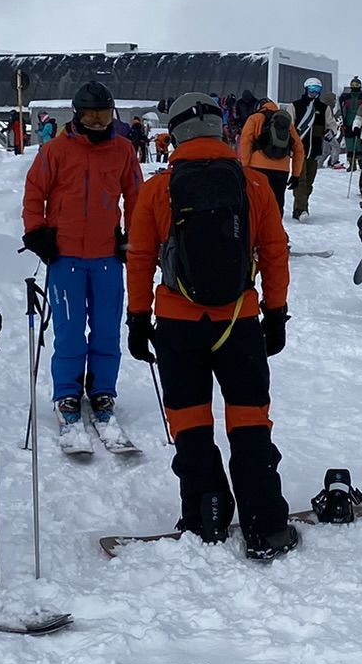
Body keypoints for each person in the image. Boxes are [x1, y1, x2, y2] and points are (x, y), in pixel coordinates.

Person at [126, 92, 298, 560]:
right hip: (238, 322)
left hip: (178, 325)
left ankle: (208, 514)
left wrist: (138, 318)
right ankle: (266, 522)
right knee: (249, 422)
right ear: (221, 128)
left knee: (192, 424)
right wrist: (276, 313)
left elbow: (140, 258)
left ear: (175, 131)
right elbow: (275, 251)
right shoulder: (254, 185)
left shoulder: (157, 189)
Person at [22, 80, 144, 439]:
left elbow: (136, 196)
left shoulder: (122, 150)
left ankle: (103, 391)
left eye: (102, 114)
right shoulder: (55, 151)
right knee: (70, 331)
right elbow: (34, 193)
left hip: (106, 257)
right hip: (66, 257)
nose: (96, 121)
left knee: (107, 330)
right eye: (90, 115)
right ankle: (67, 395)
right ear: (77, 114)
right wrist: (37, 232)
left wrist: (132, 239)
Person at [238, 93, 305, 211]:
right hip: (282, 170)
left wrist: (244, 168)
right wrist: (296, 175)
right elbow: (298, 149)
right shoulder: (286, 121)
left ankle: (257, 229)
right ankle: (275, 227)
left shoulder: (255, 118)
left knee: (256, 204)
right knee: (276, 205)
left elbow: (245, 144)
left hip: (258, 168)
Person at [289, 78, 329, 221]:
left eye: (317, 90)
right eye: (311, 89)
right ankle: (302, 210)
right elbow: (290, 125)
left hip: (315, 150)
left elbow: (330, 125)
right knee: (300, 180)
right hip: (299, 150)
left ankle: (297, 209)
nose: (314, 93)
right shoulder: (295, 106)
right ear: (306, 89)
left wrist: (330, 132)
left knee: (309, 183)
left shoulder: (324, 108)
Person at [339, 77, 362, 182]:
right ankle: (351, 163)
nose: (355, 87)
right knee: (349, 144)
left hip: (360, 123)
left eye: (357, 85)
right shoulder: (346, 97)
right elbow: (341, 109)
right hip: (348, 123)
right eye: (353, 85)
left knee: (359, 143)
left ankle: (361, 163)